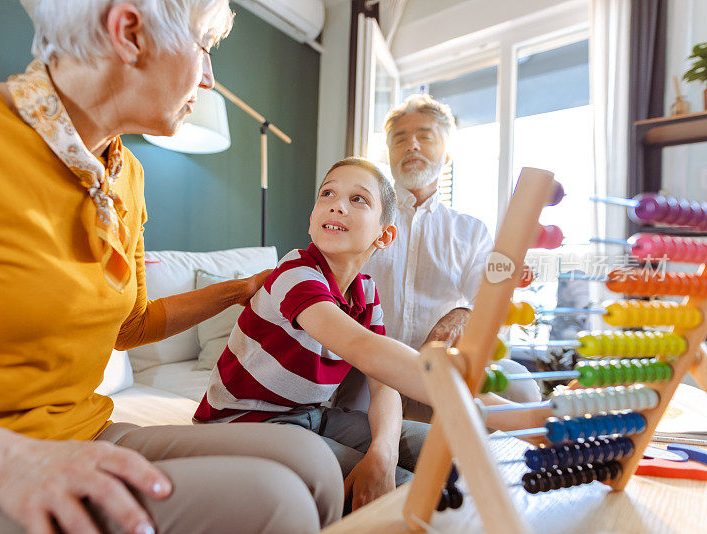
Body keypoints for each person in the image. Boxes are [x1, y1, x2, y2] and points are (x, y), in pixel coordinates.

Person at [0, 1, 343, 533]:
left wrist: (240, 290)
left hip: (79, 432)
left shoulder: (124, 175)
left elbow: (129, 326)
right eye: (204, 46)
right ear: (130, 33)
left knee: (312, 463)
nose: (209, 78)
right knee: (276, 502)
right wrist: (9, 461)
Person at [193, 157, 540, 513]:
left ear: (384, 235)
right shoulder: (294, 272)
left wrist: (383, 452)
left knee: (454, 455)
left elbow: (382, 382)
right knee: (414, 493)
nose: (337, 204)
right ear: (313, 219)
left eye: (358, 199)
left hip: (312, 418)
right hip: (243, 425)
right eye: (327, 193)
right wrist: (516, 417)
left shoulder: (367, 292)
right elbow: (365, 349)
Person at [344, 94, 541, 421]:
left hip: (442, 371)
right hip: (369, 373)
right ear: (390, 154)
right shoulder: (359, 220)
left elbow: (487, 300)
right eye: (400, 139)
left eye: (425, 136)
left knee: (520, 386)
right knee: (340, 400)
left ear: (447, 153)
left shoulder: (471, 232)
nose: (412, 146)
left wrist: (464, 312)